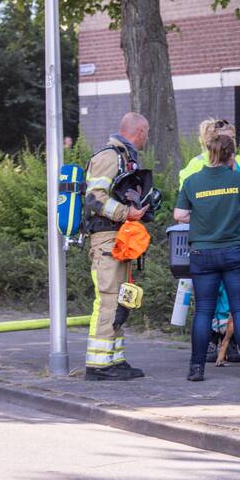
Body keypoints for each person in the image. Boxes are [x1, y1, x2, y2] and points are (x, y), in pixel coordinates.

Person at [174, 133, 240, 382]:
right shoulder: (238, 179)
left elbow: (179, 214)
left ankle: (196, 368)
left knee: (203, 310)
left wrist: (202, 218)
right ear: (231, 155)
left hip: (202, 254)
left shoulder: (192, 181)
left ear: (209, 152)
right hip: (235, 252)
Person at [83, 112, 150, 381]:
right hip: (107, 240)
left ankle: (115, 359)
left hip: (119, 240)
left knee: (122, 301)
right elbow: (94, 198)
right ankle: (98, 365)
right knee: (109, 300)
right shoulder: (110, 157)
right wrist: (127, 213)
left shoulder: (126, 158)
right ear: (140, 131)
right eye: (146, 133)